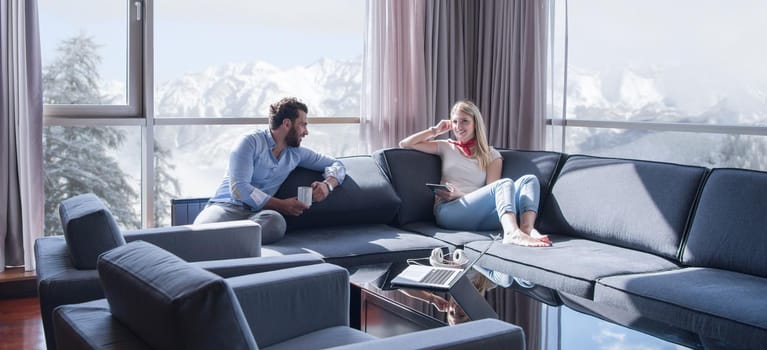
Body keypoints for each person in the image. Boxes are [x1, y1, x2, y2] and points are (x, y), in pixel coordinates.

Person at [398, 100, 550, 247]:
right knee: (505, 183)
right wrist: (436, 130)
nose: (458, 126)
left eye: (464, 121)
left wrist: (461, 194)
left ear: (475, 123)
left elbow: (494, 195)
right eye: (455, 122)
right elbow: (405, 143)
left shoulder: (491, 155)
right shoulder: (446, 146)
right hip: (449, 211)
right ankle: (511, 233)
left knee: (529, 180)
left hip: (481, 215)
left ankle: (526, 229)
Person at [194, 97, 345, 244]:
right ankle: (229, 242)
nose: (306, 132)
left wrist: (328, 185)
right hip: (227, 207)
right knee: (201, 230)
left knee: (276, 223)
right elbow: (239, 188)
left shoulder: (297, 153)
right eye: (303, 125)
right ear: (287, 124)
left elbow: (338, 164)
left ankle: (221, 242)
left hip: (258, 216)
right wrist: (281, 205)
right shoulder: (249, 142)